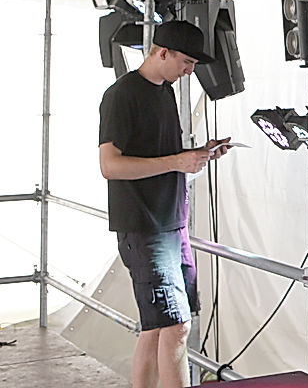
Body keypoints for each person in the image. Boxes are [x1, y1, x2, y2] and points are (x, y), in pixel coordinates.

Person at [99, 20, 231, 388]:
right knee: (176, 325)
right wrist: (177, 162)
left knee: (160, 326)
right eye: (186, 62)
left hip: (171, 224)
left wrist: (198, 155)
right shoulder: (121, 95)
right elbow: (110, 166)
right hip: (144, 227)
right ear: (162, 52)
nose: (189, 71)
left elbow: (163, 156)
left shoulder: (165, 92)